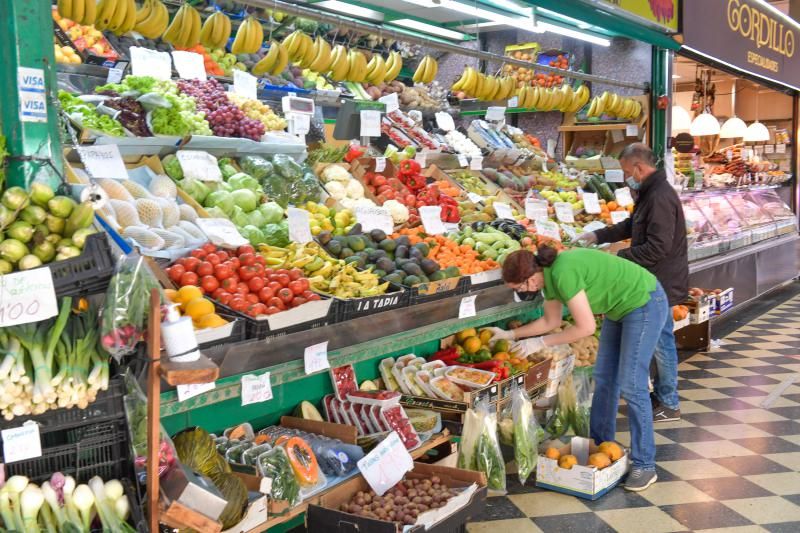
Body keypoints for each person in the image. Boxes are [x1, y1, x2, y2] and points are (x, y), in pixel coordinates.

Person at [487, 246, 668, 491]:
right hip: (619, 308)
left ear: (530, 278)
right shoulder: (549, 277)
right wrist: (511, 334)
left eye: (519, 288)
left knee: (632, 385)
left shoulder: (563, 273)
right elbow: (551, 321)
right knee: (604, 378)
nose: (521, 293)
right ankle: (602, 447)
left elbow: (585, 328)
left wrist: (539, 342)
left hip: (644, 302)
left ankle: (645, 465)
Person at [575, 143, 687, 423]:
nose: (627, 177)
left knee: (662, 342)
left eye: (627, 171)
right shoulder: (651, 193)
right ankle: (662, 396)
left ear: (639, 167)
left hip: (660, 281)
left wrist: (619, 255)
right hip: (655, 279)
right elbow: (632, 225)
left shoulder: (659, 196)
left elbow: (658, 247)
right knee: (660, 341)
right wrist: (598, 236)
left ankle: (669, 401)